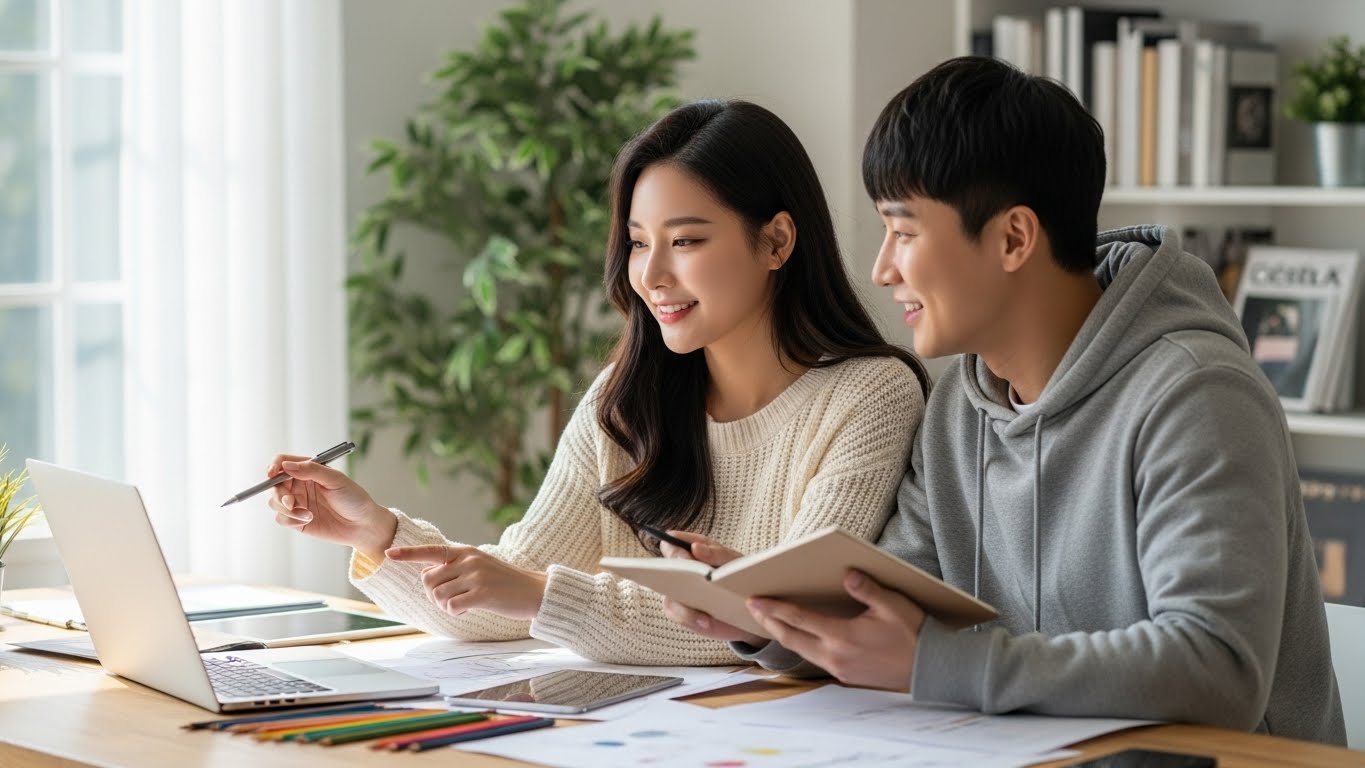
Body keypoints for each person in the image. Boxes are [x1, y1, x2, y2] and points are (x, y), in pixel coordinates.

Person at [663, 58, 1346, 743]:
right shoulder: (960, 401)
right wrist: (767, 613)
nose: (881, 269)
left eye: (902, 231)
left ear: (1013, 237)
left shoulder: (1194, 394)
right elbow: (894, 603)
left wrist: (941, 662)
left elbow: (1217, 669)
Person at [264, 99, 930, 666]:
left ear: (777, 241)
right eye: (639, 243)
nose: (652, 275)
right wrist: (375, 533)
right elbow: (504, 594)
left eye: (687, 241)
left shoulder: (868, 395)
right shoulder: (627, 396)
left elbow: (788, 617)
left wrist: (540, 595)